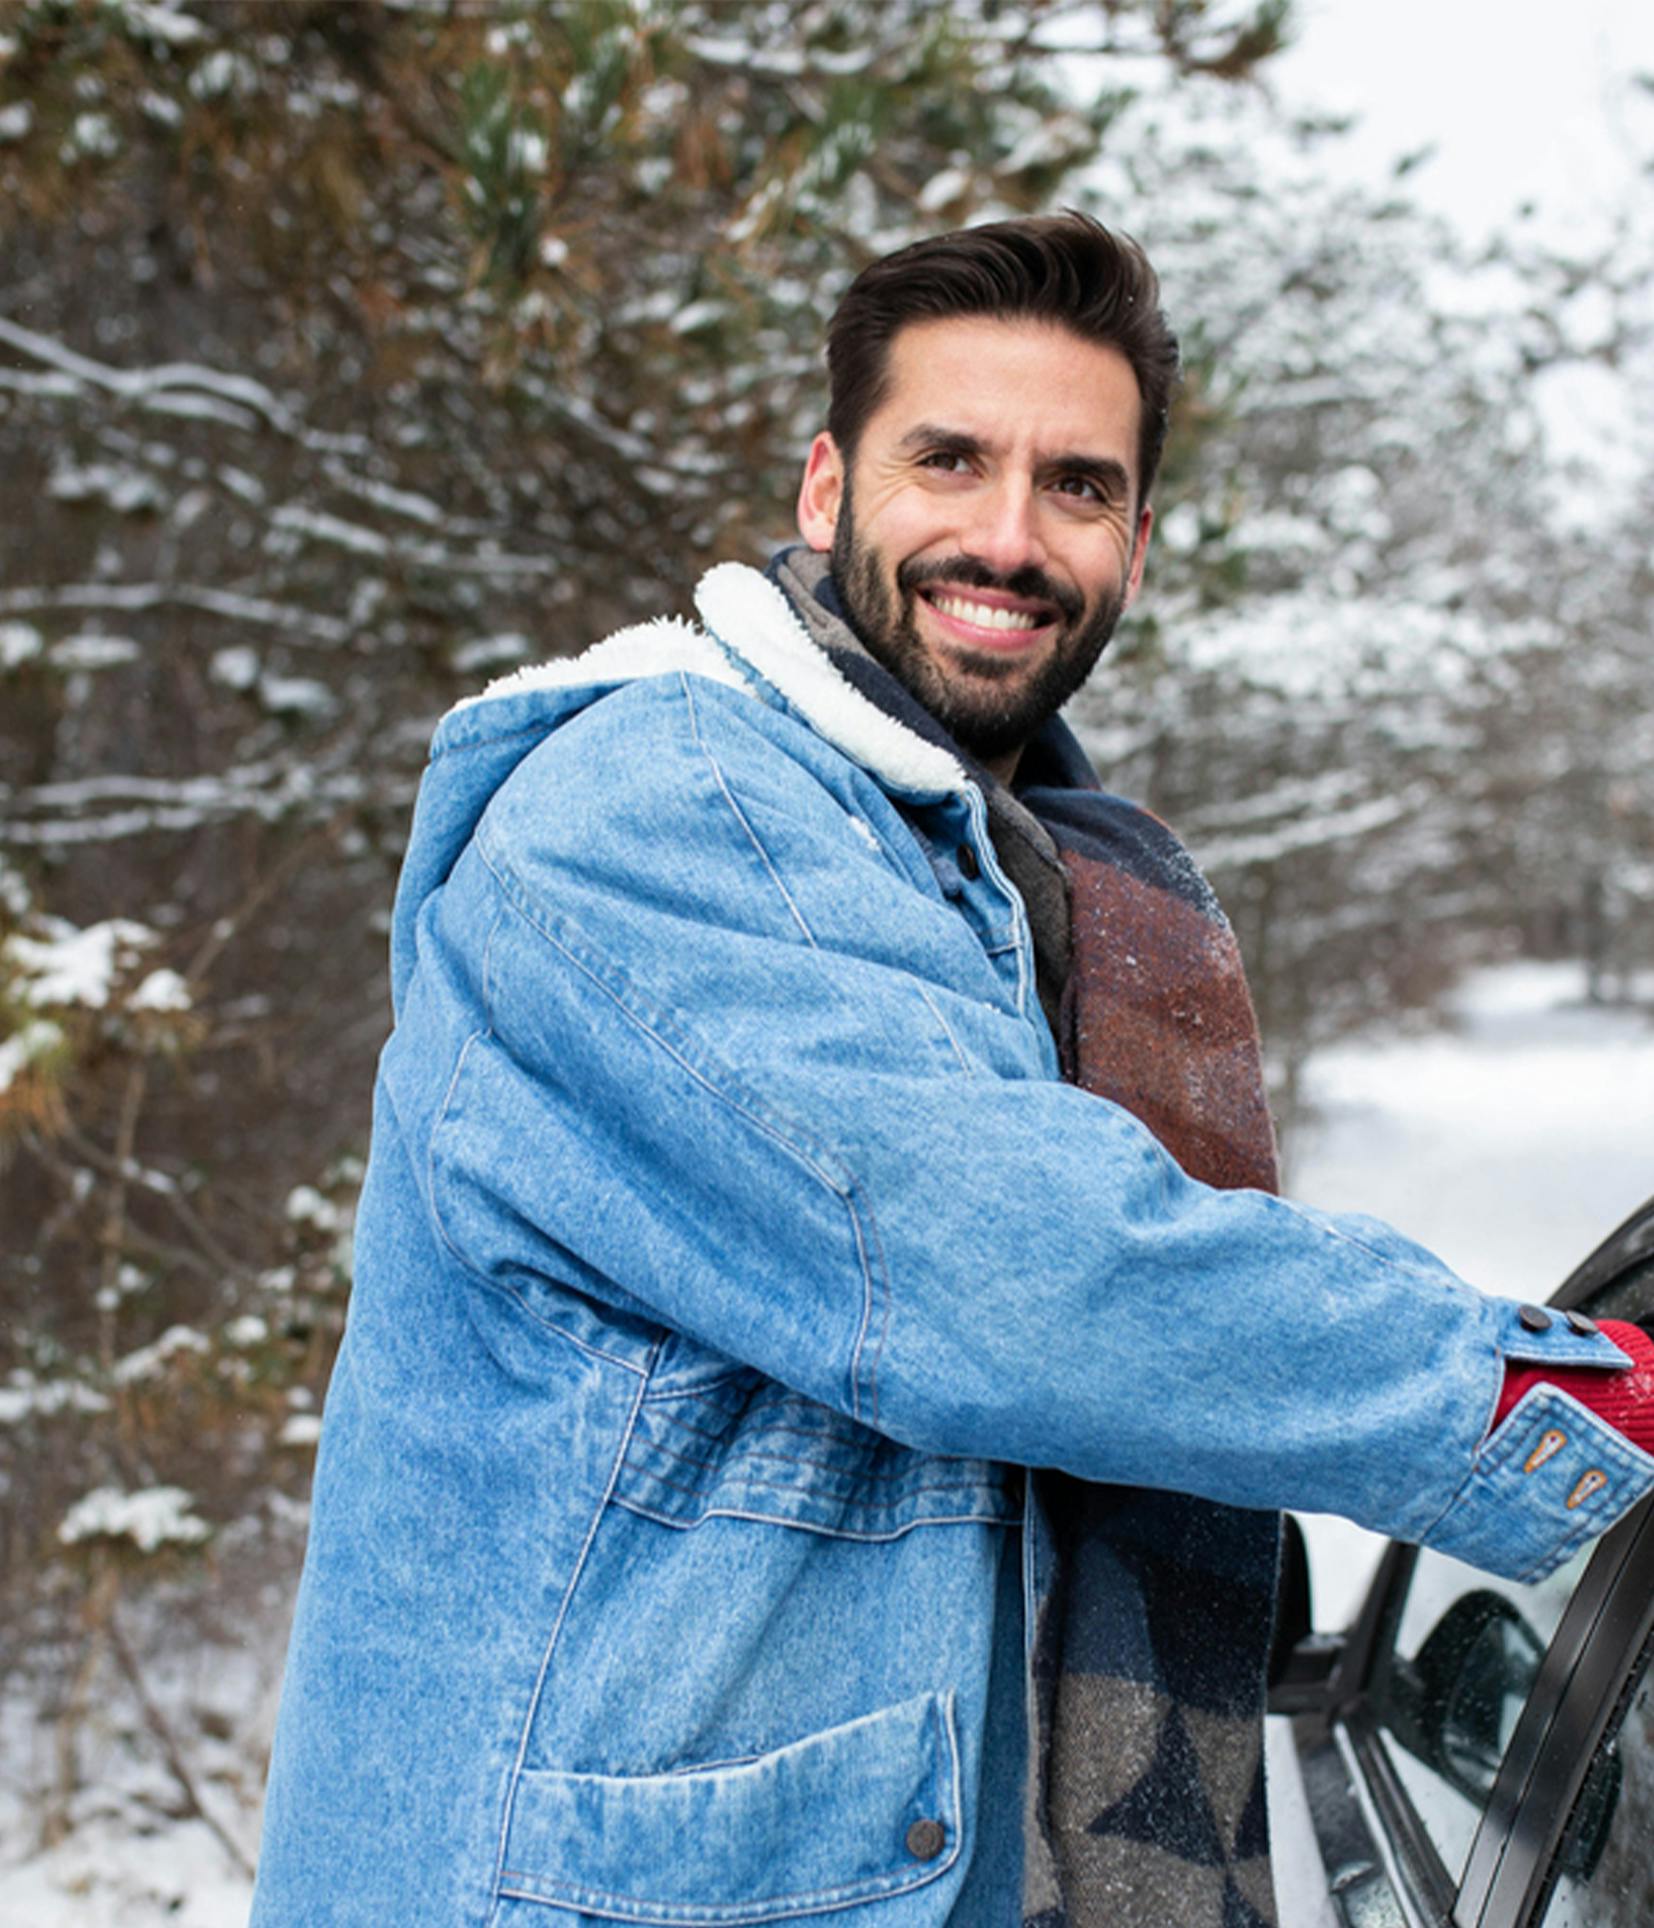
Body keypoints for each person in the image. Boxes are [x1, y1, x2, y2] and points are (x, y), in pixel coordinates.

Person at [250, 214, 1654, 1928]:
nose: (1008, 536)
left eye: (1074, 485)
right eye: (949, 460)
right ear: (827, 491)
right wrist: (1562, 1401)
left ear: (1135, 541)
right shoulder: (646, 814)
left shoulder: (992, 874)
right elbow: (1014, 1266)